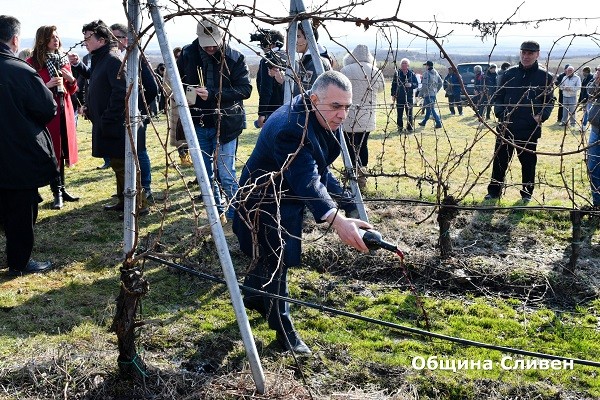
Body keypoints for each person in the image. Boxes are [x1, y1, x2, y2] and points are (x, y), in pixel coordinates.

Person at [233, 71, 372, 354]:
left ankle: (254, 296)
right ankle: (284, 331)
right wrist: (337, 220)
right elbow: (307, 180)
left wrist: (347, 202)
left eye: (347, 107)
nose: (342, 115)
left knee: (272, 259)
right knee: (278, 262)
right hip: (262, 205)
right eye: (336, 106)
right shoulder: (291, 128)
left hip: (283, 201)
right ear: (314, 99)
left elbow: (318, 168)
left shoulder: (314, 115)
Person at [176, 18, 252, 221]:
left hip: (226, 124)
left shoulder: (235, 57)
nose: (210, 47)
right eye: (205, 43)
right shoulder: (187, 54)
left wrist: (213, 94)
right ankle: (216, 212)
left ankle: (236, 216)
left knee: (226, 175)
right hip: (198, 122)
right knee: (205, 174)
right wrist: (190, 98)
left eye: (213, 42)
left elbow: (245, 90)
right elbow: (179, 83)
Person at [0, 15, 57, 276]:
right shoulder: (21, 71)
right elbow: (47, 107)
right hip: (17, 154)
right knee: (21, 212)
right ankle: (19, 263)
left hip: (12, 151)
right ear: (14, 39)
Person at [69, 20, 131, 214]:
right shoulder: (100, 58)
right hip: (106, 121)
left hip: (114, 123)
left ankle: (136, 204)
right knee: (116, 164)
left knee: (123, 165)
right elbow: (97, 82)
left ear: (102, 40)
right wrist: (90, 107)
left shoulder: (112, 60)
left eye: (88, 38)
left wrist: (107, 117)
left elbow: (121, 92)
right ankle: (123, 201)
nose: (84, 42)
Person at [484, 41, 554, 202]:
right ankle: (494, 191)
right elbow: (499, 96)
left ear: (537, 54)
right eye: (523, 52)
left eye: (530, 53)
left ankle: (527, 194)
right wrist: (501, 113)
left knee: (528, 163)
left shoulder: (545, 77)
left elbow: (550, 101)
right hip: (506, 126)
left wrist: (541, 116)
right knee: (500, 160)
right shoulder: (509, 73)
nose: (526, 56)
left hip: (529, 128)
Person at [28, 25, 79, 210]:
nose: (55, 40)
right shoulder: (32, 62)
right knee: (53, 152)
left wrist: (71, 80)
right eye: (51, 37)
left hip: (65, 110)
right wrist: (47, 84)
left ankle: (62, 189)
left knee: (63, 150)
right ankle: (56, 192)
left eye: (57, 37)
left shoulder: (63, 59)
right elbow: (29, 90)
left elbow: (73, 90)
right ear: (42, 40)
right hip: (47, 114)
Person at [110, 23, 159, 205]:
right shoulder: (115, 58)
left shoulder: (136, 58)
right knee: (125, 154)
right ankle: (129, 190)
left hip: (137, 116)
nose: (113, 42)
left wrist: (136, 108)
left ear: (126, 39)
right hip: (122, 117)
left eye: (116, 38)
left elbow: (152, 88)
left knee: (140, 151)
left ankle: (146, 189)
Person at [340, 44, 384, 189]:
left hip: (349, 115)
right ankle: (362, 173)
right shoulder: (375, 71)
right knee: (363, 144)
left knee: (350, 145)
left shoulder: (346, 70)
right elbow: (382, 88)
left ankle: (352, 174)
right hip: (368, 114)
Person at [254, 29, 286, 128]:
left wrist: (262, 114)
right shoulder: (288, 57)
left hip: (272, 111)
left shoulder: (268, 60)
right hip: (288, 108)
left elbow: (266, 88)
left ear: (271, 44)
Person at [293, 22, 331, 96]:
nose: (294, 41)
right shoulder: (310, 59)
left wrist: (284, 81)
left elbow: (305, 93)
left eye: (298, 36)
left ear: (309, 38)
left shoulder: (315, 62)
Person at [391, 58, 419, 131]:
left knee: (409, 113)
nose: (403, 65)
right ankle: (400, 128)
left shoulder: (411, 74)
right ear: (400, 65)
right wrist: (393, 95)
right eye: (402, 63)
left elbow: (416, 84)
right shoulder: (397, 73)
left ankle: (409, 127)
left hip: (409, 97)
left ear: (408, 65)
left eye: (405, 63)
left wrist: (411, 85)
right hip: (399, 96)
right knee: (399, 113)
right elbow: (393, 85)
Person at [586, 66, 600, 205]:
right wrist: (597, 82)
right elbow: (589, 92)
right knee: (593, 167)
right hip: (596, 130)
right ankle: (597, 204)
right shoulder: (596, 81)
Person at [417, 60, 443, 128]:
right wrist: (436, 91)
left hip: (427, 94)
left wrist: (420, 94)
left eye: (426, 65)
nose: (425, 67)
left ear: (427, 66)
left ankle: (438, 122)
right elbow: (441, 83)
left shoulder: (426, 73)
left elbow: (425, 85)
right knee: (428, 109)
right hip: (433, 94)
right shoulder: (436, 73)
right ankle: (424, 122)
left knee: (431, 109)